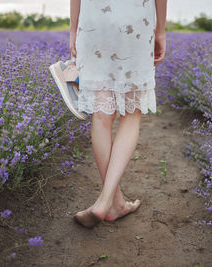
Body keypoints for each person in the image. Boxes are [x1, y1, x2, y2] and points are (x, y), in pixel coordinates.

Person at [70, 0, 167, 228]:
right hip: (135, 22)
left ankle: (115, 202)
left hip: (94, 22)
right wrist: (160, 30)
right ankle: (106, 203)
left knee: (101, 116)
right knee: (131, 116)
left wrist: (74, 29)